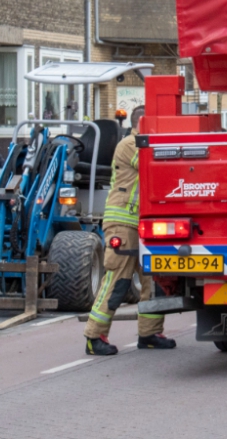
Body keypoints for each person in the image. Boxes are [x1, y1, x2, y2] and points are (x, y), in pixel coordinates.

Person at [83, 106, 175, 356]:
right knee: (118, 280)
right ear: (144, 122)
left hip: (143, 223)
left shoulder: (143, 143)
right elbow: (155, 165)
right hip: (123, 223)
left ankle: (149, 333)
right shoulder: (131, 144)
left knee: (151, 280)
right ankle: (94, 336)